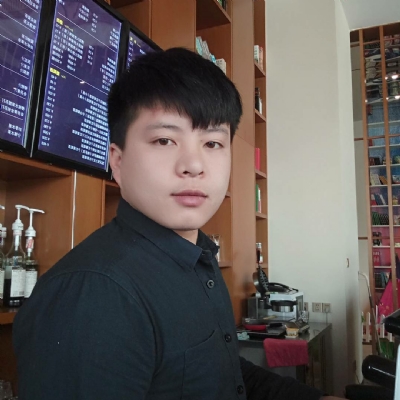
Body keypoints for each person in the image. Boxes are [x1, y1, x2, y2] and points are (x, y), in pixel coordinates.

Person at [13, 48, 342, 400]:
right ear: (118, 162)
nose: (194, 165)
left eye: (212, 143)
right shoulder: (94, 295)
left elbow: (222, 372)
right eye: (164, 140)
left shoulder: (199, 257)